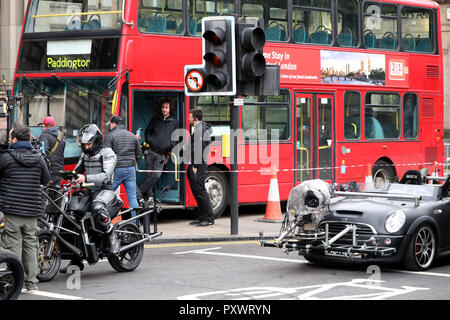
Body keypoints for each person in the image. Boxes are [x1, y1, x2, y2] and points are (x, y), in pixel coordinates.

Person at [61, 124, 119, 273]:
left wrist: (85, 177)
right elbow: (77, 170)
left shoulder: (108, 153)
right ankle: (76, 260)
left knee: (98, 208)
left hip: (105, 191)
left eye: (89, 143)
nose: (86, 147)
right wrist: (67, 175)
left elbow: (106, 176)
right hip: (89, 191)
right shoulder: (85, 154)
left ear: (97, 140)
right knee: (73, 218)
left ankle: (111, 236)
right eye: (84, 144)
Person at [0, 123, 50, 292]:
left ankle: (16, 282)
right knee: (30, 245)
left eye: (10, 137)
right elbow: (45, 179)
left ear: (14, 139)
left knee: (12, 246)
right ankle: (31, 284)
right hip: (32, 210)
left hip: (11, 209)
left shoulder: (6, 157)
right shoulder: (38, 158)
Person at [104, 115, 142, 224]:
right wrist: (134, 164)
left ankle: (104, 221)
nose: (110, 126)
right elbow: (138, 154)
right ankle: (135, 223)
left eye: (110, 124)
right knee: (132, 197)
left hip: (117, 169)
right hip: (130, 169)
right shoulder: (132, 136)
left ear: (114, 124)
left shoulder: (111, 136)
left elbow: (106, 154)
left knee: (107, 194)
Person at [141, 98, 179, 203]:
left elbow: (176, 137)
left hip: (162, 154)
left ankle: (140, 191)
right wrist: (149, 140)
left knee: (156, 175)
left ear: (170, 108)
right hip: (150, 151)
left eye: (166, 107)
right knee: (148, 175)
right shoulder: (155, 119)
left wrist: (169, 148)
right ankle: (150, 196)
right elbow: (148, 131)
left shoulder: (174, 121)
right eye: (162, 107)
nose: (164, 110)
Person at [186, 109, 214, 227]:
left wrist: (196, 166)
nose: (188, 118)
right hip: (196, 163)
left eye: (190, 117)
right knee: (196, 191)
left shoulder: (200, 130)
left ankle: (208, 218)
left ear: (195, 119)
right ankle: (202, 216)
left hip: (199, 163)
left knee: (200, 191)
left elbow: (200, 149)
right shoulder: (198, 129)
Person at [38, 116, 66, 187]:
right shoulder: (61, 136)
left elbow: (43, 155)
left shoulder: (44, 136)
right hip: (60, 171)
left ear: (44, 126)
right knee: (56, 195)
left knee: (47, 195)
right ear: (55, 125)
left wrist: (46, 172)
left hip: (50, 172)